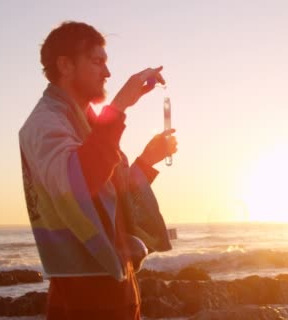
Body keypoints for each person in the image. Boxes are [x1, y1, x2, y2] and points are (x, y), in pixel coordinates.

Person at [19, 21, 177, 319]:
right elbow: (77, 184)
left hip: (115, 289)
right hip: (83, 298)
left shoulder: (82, 120)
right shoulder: (44, 123)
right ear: (65, 65)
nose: (107, 72)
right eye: (97, 61)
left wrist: (146, 161)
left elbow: (110, 195)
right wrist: (119, 106)